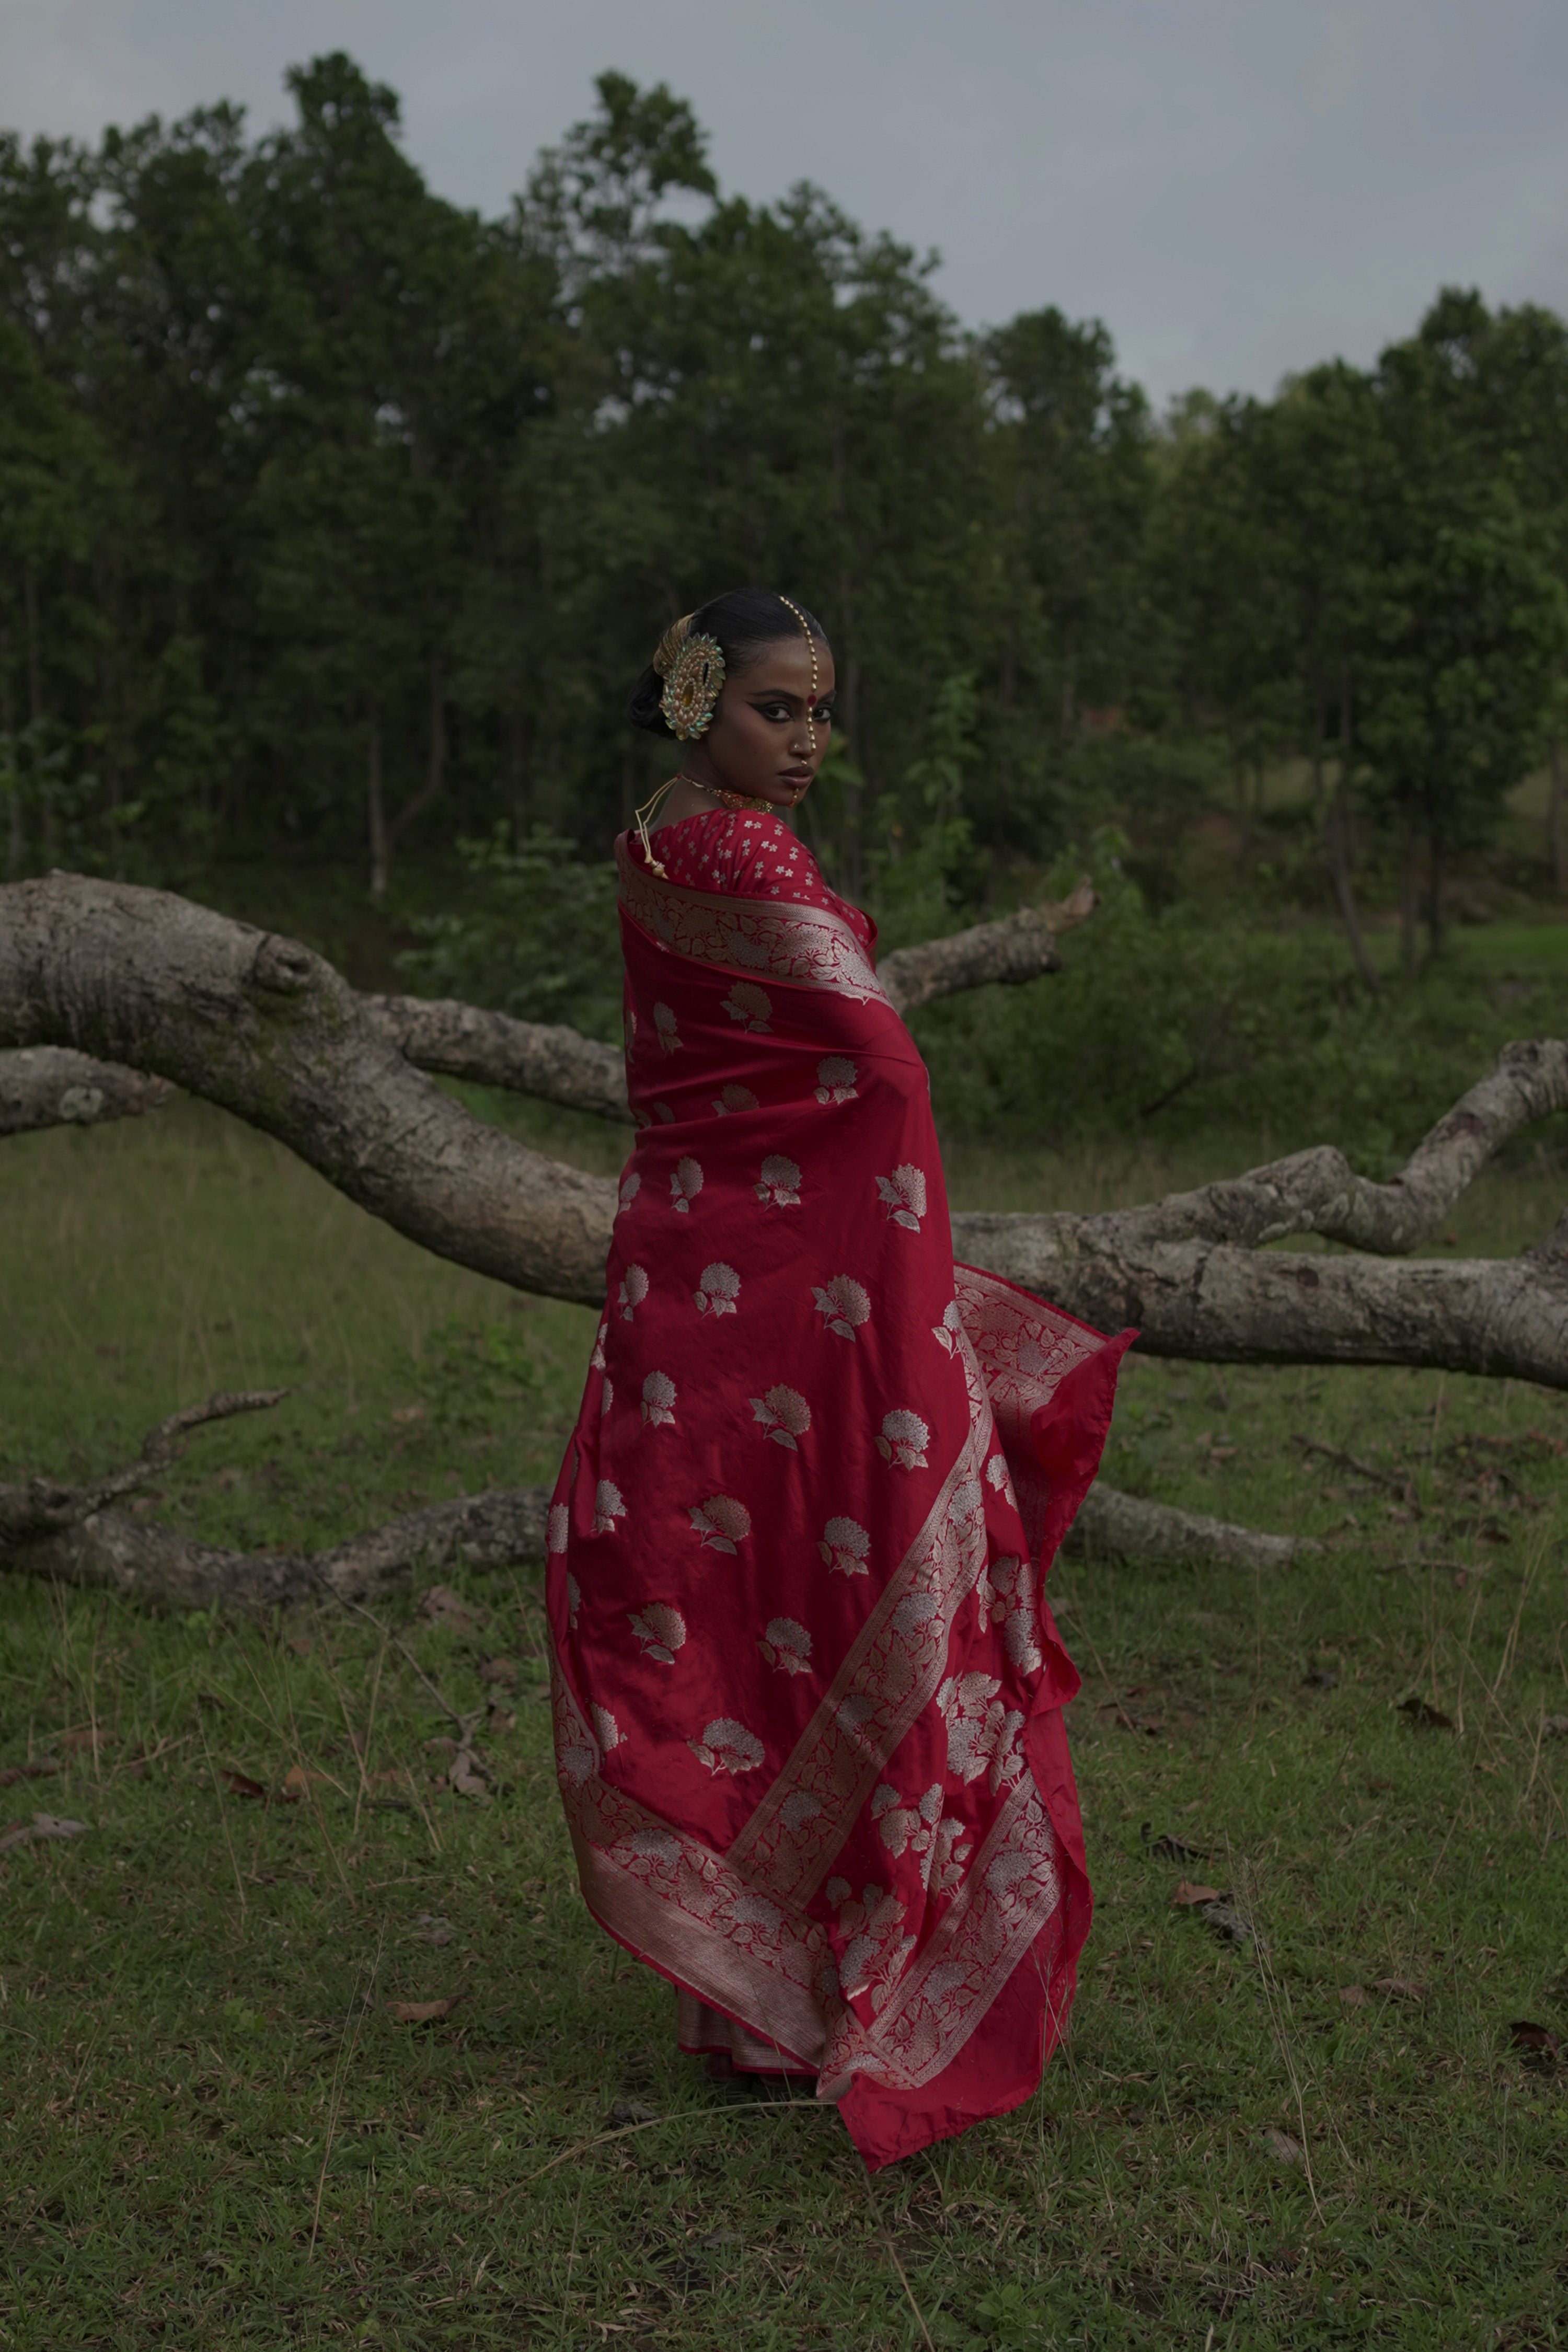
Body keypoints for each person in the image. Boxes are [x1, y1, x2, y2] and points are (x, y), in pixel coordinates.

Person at [544, 587, 1132, 2171]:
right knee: (842, 1586)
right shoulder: (741, 852)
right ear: (694, 702)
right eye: (774, 709)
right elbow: (879, 1065)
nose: (806, 739)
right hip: (812, 1309)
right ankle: (845, 1987)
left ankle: (756, 2002)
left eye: (819, 710)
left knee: (747, 1618)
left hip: (687, 1286)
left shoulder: (658, 840)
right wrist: (907, 1286)